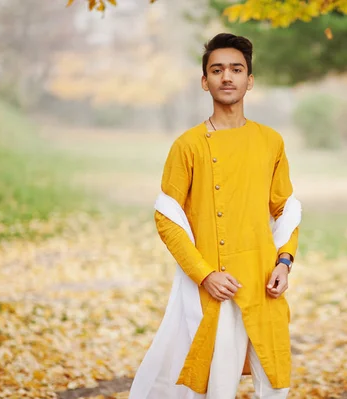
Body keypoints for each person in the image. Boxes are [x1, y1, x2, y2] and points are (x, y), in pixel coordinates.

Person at [128, 33, 302, 399]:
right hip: (216, 286)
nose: (227, 77)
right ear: (204, 81)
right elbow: (167, 217)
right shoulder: (188, 145)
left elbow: (286, 208)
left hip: (263, 280)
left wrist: (284, 262)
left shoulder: (271, 141)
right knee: (215, 386)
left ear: (249, 80)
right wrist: (205, 274)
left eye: (236, 69)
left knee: (274, 382)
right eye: (217, 69)